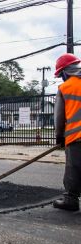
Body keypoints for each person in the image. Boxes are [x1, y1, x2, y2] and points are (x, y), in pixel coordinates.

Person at [52, 53, 81, 211]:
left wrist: (59, 136)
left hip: (77, 137)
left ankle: (71, 199)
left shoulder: (65, 87)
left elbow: (59, 116)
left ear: (65, 72)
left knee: (74, 168)